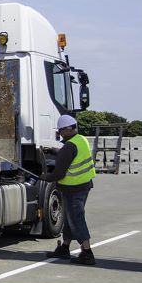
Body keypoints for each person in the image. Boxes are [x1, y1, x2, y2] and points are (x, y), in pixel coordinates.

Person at [45, 113, 97, 265]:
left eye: (60, 131)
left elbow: (58, 173)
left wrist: (44, 177)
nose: (60, 134)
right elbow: (73, 155)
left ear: (67, 130)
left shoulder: (69, 146)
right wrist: (56, 151)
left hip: (73, 188)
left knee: (76, 219)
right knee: (70, 218)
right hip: (83, 186)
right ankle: (65, 248)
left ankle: (87, 252)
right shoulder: (81, 140)